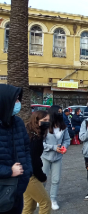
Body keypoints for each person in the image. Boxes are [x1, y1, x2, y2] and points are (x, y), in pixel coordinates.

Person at [0, 84, 32, 214]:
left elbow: (26, 147)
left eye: (19, 99)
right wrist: (9, 171)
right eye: (15, 100)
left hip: (18, 187)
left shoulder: (18, 122)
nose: (18, 103)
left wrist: (28, 170)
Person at [42, 105, 70, 210]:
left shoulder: (63, 127)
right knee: (42, 178)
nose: (60, 113)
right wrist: (53, 147)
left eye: (61, 112)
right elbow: (41, 143)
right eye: (58, 112)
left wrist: (64, 147)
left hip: (58, 157)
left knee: (56, 179)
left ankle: (53, 199)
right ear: (53, 113)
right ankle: (40, 198)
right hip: (45, 156)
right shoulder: (45, 126)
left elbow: (67, 140)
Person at [23, 111, 52, 214]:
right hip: (30, 175)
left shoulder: (32, 133)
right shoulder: (34, 138)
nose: (47, 122)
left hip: (25, 174)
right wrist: (42, 177)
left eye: (48, 120)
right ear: (36, 121)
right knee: (46, 203)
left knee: (29, 205)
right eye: (44, 120)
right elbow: (34, 161)